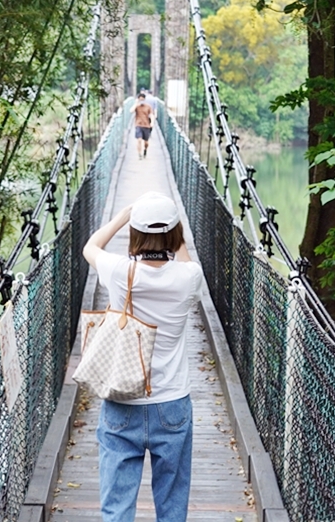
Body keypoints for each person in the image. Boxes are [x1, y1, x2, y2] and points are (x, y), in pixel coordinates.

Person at [82, 192, 206, 522]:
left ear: (134, 234)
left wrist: (125, 214)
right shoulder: (188, 277)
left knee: (117, 508)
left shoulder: (120, 272)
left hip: (123, 402)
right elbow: (187, 260)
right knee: (172, 508)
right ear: (176, 233)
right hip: (173, 405)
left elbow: (90, 247)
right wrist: (174, 229)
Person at [133, 91, 155, 160]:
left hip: (146, 125)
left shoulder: (148, 107)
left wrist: (152, 123)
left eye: (142, 99)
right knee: (139, 140)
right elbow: (131, 111)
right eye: (140, 99)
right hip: (138, 125)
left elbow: (151, 115)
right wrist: (136, 103)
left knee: (146, 142)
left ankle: (145, 150)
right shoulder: (136, 106)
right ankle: (139, 154)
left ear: (144, 99)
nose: (141, 100)